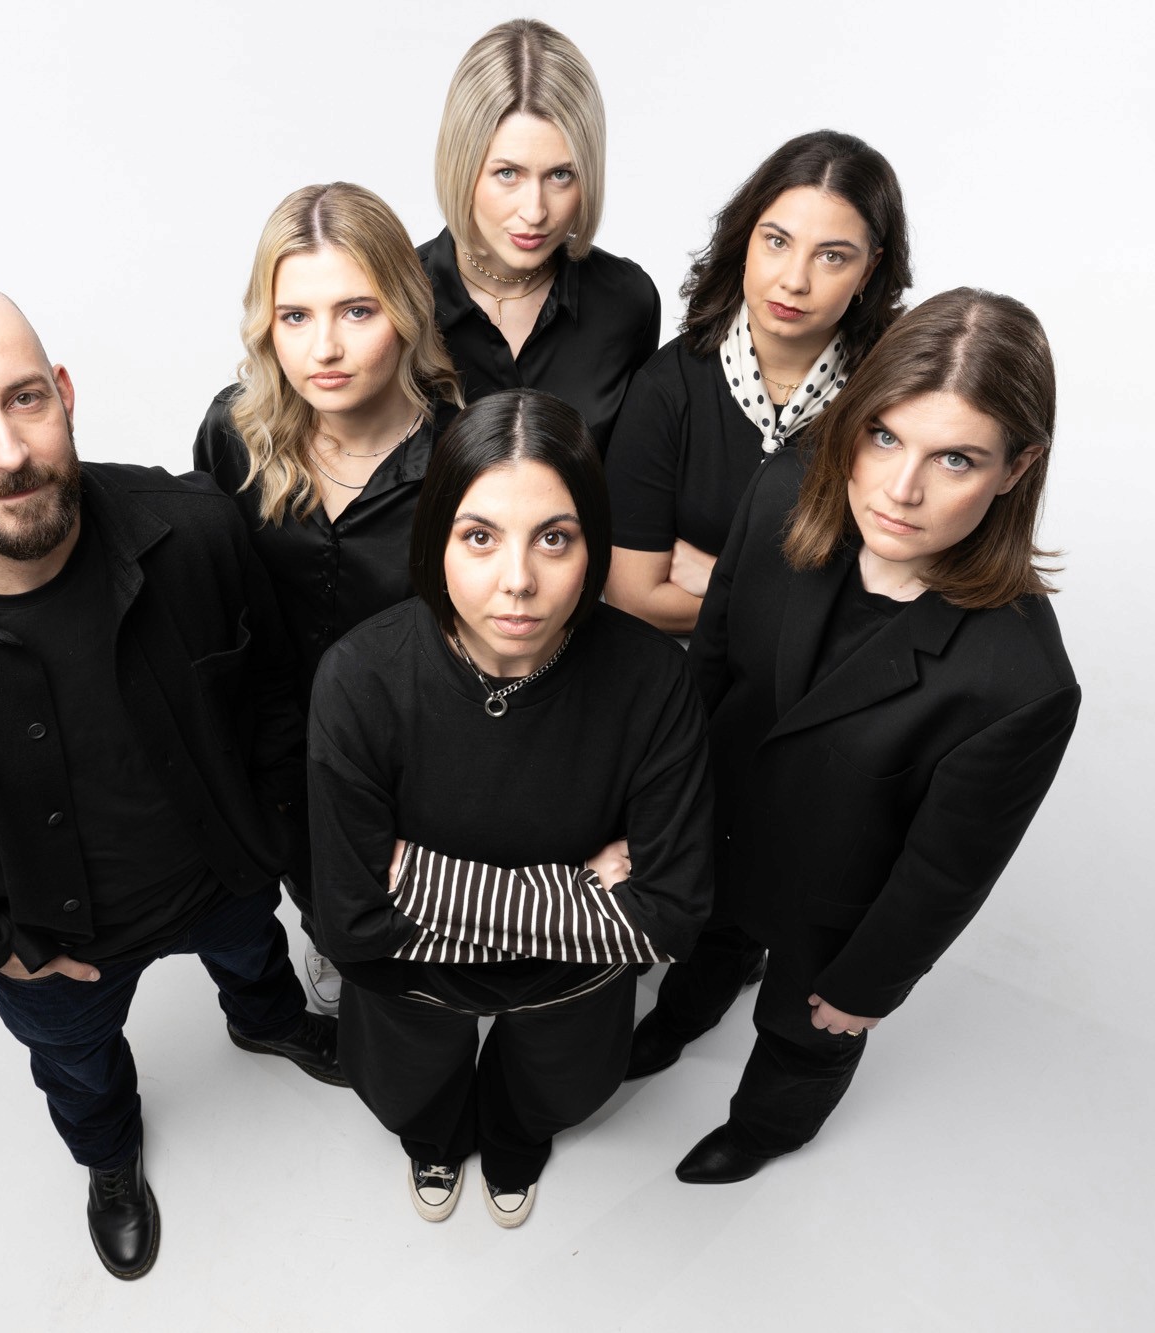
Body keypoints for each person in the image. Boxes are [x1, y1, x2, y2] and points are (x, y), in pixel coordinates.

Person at [0, 280, 343, 1282]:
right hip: (51, 941)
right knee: (79, 1069)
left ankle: (266, 1021)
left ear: (65, 392)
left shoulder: (199, 530)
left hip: (224, 872)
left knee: (254, 956)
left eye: (24, 398)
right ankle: (109, 1159)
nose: (6, 451)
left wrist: (271, 833)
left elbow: (271, 698)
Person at [628, 288, 1081, 1186]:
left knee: (806, 1033)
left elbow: (944, 873)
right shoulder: (783, 489)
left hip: (834, 909)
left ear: (1016, 468)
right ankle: (681, 1018)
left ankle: (766, 1128)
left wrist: (867, 987)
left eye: (955, 458)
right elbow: (708, 668)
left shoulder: (1021, 683)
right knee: (709, 944)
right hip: (716, 830)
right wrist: (657, 815)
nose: (901, 489)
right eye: (884, 436)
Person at [308, 389, 715, 1226]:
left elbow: (671, 917)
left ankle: (517, 1144)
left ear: (593, 544)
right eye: (480, 537)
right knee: (415, 1095)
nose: (519, 581)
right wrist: (582, 893)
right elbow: (350, 925)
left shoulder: (653, 679)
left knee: (544, 1093)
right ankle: (432, 1139)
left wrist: (416, 880)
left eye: (555, 538)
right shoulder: (359, 677)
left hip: (567, 990)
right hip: (412, 984)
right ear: (437, 540)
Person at [193, 182, 465, 1015]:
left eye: (357, 310)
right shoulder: (232, 433)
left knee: (415, 912)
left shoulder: (466, 449)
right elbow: (211, 587)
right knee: (321, 893)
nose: (326, 349)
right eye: (296, 316)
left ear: (407, 311)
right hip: (280, 742)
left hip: (417, 744)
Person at [605, 129, 911, 636]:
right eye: (777, 241)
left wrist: (725, 581)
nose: (794, 280)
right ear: (746, 237)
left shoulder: (897, 401)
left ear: (869, 270)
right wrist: (805, 609)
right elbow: (633, 600)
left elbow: (905, 604)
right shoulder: (667, 389)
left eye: (831, 256)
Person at [418, 18, 659, 455]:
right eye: (507, 173)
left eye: (561, 175)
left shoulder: (627, 302)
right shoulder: (395, 299)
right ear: (461, 165)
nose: (535, 211)